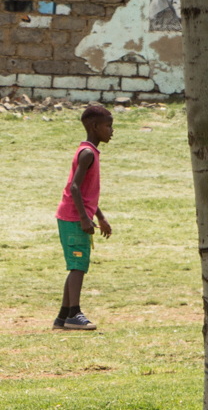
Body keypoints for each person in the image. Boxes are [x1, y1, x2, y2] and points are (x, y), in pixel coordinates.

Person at [54, 105, 115, 330]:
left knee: (76, 265)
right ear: (94, 126)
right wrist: (83, 218)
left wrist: (99, 216)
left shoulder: (90, 152)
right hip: (72, 218)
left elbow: (87, 193)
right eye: (108, 126)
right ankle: (74, 314)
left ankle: (62, 317)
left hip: (74, 216)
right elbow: (75, 188)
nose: (111, 131)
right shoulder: (87, 153)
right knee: (78, 265)